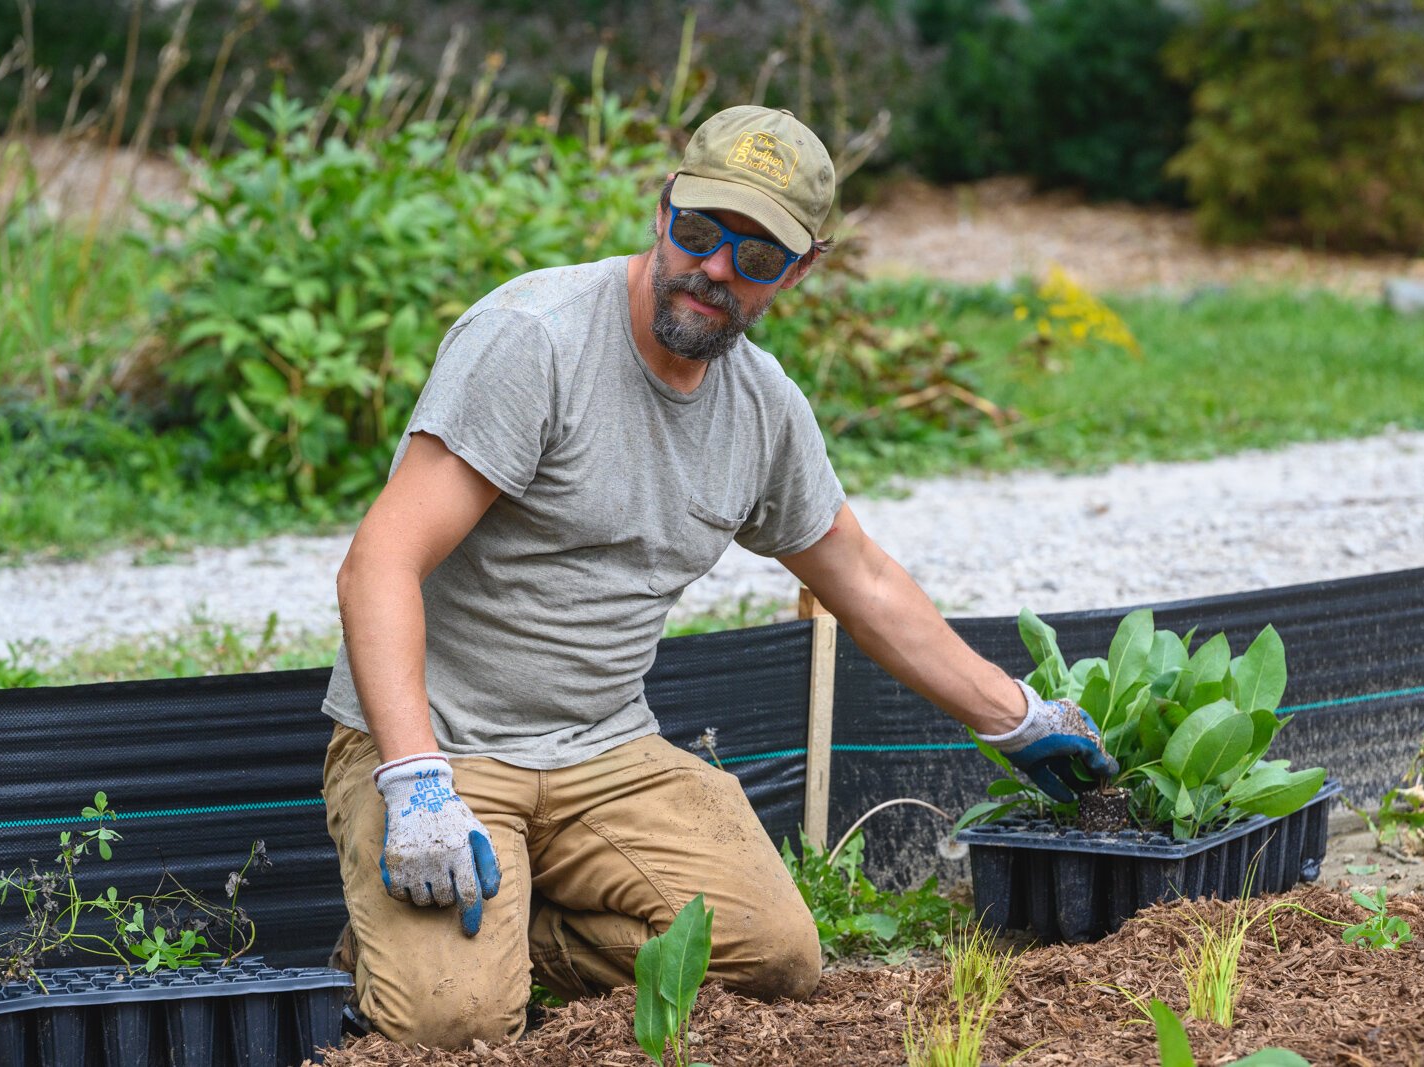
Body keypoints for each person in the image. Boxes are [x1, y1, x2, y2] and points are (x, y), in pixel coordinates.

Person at [319, 104, 1115, 1049]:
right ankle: (430, 953)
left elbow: (857, 573)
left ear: (803, 267)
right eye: (698, 234)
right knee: (453, 1024)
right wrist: (414, 781)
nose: (715, 270)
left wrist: (1013, 714)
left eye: (758, 257)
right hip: (441, 746)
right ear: (663, 210)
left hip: (604, 750)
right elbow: (380, 562)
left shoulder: (763, 410)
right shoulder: (533, 340)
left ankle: (508, 927)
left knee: (776, 956)